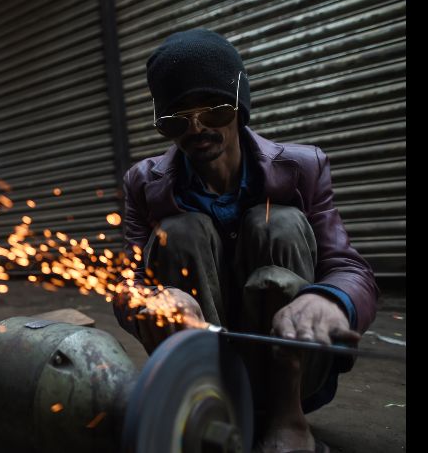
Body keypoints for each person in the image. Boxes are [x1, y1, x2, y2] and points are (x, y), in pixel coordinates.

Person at [112, 28, 379, 453]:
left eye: (214, 110)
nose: (197, 128)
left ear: (240, 104)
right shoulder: (145, 184)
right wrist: (154, 299)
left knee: (279, 222)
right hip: (202, 361)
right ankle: (211, 399)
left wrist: (330, 299)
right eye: (178, 119)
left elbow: (350, 268)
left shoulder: (303, 168)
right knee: (179, 232)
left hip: (291, 360)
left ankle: (286, 416)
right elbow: (126, 282)